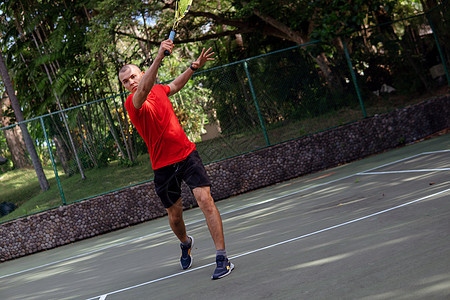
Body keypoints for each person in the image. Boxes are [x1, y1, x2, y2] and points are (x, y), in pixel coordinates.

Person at [119, 39, 234, 280]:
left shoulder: (158, 89)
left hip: (187, 155)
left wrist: (193, 67)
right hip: (162, 166)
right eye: (125, 81)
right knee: (175, 216)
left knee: (205, 200)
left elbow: (174, 85)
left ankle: (222, 257)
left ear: (141, 73)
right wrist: (159, 56)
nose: (130, 82)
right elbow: (144, 89)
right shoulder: (133, 103)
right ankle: (185, 242)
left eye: (133, 76)